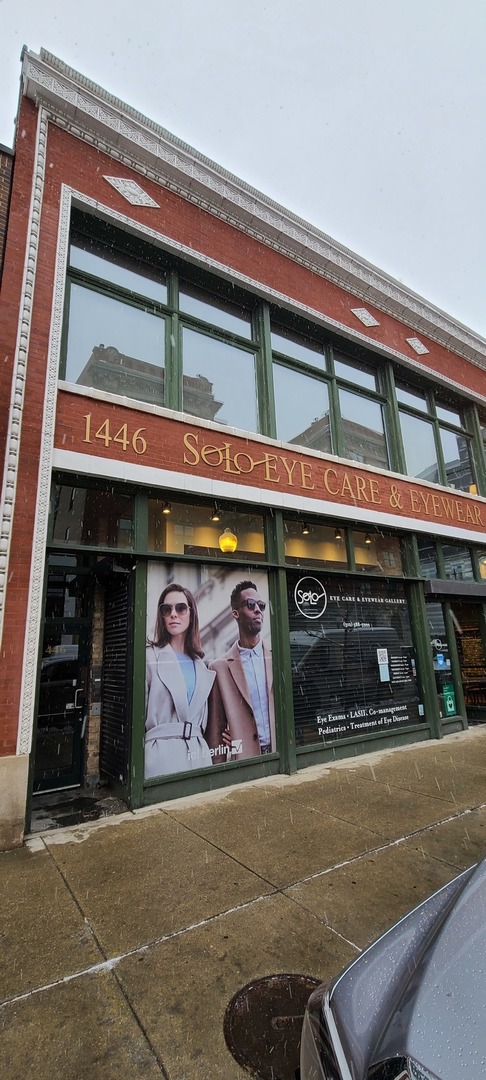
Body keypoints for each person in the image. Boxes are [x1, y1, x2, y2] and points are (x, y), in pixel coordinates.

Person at [145, 583, 215, 778]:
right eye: (166, 609)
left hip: (198, 755)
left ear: (191, 614)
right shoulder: (150, 658)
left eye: (181, 608)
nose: (173, 614)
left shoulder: (202, 666)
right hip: (160, 757)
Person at [205, 580, 275, 763]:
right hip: (244, 762)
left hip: (280, 756)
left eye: (261, 605)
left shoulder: (277, 658)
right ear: (235, 613)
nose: (258, 610)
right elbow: (215, 731)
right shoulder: (219, 669)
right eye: (251, 605)